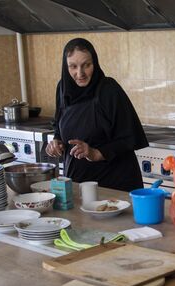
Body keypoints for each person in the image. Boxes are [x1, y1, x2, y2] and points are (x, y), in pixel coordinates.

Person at [46, 38, 148, 192]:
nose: (80, 73)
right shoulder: (63, 88)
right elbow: (60, 123)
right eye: (73, 66)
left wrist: (95, 153)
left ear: (95, 63)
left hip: (114, 187)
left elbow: (129, 138)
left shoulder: (109, 90)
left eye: (86, 65)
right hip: (77, 186)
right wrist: (56, 141)